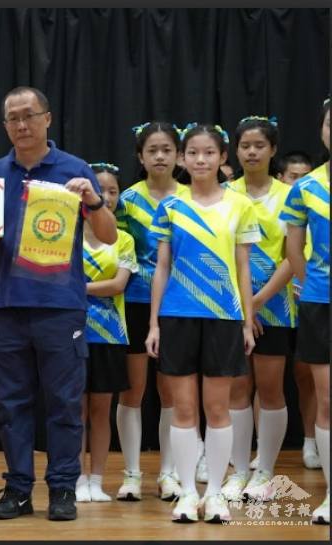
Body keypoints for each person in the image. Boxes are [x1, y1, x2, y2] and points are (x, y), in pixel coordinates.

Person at [0, 86, 116, 522]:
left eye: (29, 115)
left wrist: (92, 200)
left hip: (61, 305)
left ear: (47, 119)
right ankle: (17, 489)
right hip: (10, 304)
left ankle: (63, 489)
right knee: (12, 403)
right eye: (12, 118)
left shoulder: (74, 169)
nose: (21, 124)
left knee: (64, 402)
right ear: (4, 126)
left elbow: (107, 235)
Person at [146, 123, 260, 523]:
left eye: (209, 153)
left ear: (222, 158)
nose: (200, 160)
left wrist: (247, 321)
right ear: (181, 158)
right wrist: (154, 324)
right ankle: (187, 494)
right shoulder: (171, 208)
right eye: (192, 152)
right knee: (183, 409)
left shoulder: (240, 205)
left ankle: (214, 494)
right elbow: (161, 267)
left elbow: (244, 267)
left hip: (223, 317)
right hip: (177, 317)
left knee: (218, 409)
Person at [114, 122, 189, 501]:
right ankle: (131, 474)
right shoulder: (126, 200)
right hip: (135, 304)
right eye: (152, 150)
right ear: (140, 157)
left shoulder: (193, 198)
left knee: (171, 392)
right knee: (133, 390)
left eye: (166, 150)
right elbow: (118, 250)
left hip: (181, 305)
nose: (160, 156)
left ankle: (169, 473)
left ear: (179, 155)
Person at [221, 116, 294, 502]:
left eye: (259, 145)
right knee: (236, 387)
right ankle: (237, 470)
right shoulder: (223, 193)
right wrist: (241, 305)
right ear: (235, 150)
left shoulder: (290, 196)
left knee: (269, 389)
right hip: (230, 306)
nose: (251, 151)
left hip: (275, 307)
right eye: (245, 145)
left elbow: (293, 256)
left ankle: (264, 470)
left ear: (272, 150)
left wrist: (260, 300)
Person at [280, 98, 329, 525]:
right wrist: (305, 283)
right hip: (320, 302)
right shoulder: (306, 187)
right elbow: (293, 245)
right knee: (327, 399)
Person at [76, 163, 136, 504]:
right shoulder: (67, 233)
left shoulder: (124, 239)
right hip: (72, 334)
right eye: (101, 191)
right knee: (74, 412)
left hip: (110, 336)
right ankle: (75, 477)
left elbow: (117, 285)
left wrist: (77, 288)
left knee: (100, 411)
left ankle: (96, 479)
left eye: (113, 191)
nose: (108, 197)